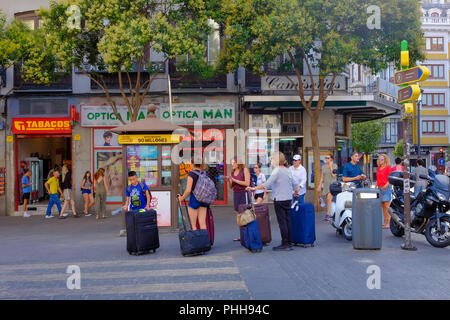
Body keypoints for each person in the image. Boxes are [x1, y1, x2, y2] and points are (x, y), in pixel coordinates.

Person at [248, 151, 297, 251]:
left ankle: (284, 243)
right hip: (288, 198)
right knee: (288, 221)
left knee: (282, 222)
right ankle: (289, 242)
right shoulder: (287, 170)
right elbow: (295, 184)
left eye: (271, 159)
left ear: (276, 160)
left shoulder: (277, 170)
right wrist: (296, 191)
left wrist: (254, 188)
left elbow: (267, 184)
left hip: (279, 199)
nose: (270, 161)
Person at [177, 159, 208, 231]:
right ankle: (204, 241)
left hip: (194, 200)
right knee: (203, 223)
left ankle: (196, 241)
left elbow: (188, 190)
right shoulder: (204, 173)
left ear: (193, 164)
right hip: (203, 200)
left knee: (193, 225)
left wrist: (182, 198)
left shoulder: (191, 174)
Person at [228, 156, 251, 242]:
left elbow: (247, 183)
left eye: (234, 162)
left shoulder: (244, 170)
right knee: (239, 216)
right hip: (236, 194)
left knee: (245, 214)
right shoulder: (232, 172)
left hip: (243, 193)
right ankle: (242, 235)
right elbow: (231, 186)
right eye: (231, 162)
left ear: (238, 163)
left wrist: (234, 180)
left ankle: (248, 234)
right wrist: (230, 180)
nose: (232, 164)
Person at [316, 154, 337, 221]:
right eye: (325, 158)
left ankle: (328, 214)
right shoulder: (323, 166)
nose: (326, 159)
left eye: (328, 158)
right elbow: (322, 177)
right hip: (326, 185)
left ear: (331, 159)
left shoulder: (334, 166)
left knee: (328, 199)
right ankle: (332, 213)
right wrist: (319, 185)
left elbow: (334, 175)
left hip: (332, 185)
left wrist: (331, 167)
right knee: (329, 201)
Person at [376, 154, 393, 229]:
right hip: (379, 188)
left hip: (386, 188)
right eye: (379, 159)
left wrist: (386, 185)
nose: (380, 160)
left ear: (385, 160)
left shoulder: (388, 167)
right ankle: (385, 222)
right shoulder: (378, 168)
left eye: (382, 159)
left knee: (387, 206)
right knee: (383, 206)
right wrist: (376, 185)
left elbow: (390, 178)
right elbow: (378, 177)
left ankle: (388, 223)